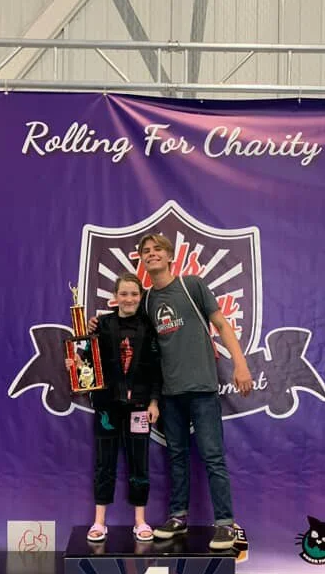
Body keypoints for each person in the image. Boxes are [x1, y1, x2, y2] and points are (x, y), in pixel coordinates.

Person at [138, 233, 252, 551]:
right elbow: (145, 348)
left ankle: (226, 524)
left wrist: (240, 365)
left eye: (157, 249)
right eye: (146, 252)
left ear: (169, 255)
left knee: (212, 457)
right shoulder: (147, 301)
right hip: (171, 394)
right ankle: (178, 516)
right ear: (142, 261)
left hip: (202, 389)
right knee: (176, 457)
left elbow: (223, 325)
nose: (152, 255)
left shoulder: (192, 286)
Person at [67, 272, 161, 543]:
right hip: (107, 406)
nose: (129, 298)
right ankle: (99, 522)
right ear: (115, 297)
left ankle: (140, 521)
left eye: (134, 294)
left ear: (140, 297)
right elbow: (86, 359)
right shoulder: (101, 325)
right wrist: (76, 366)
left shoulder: (149, 326)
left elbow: (157, 369)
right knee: (104, 463)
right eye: (124, 293)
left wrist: (154, 401)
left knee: (139, 463)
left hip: (140, 407)